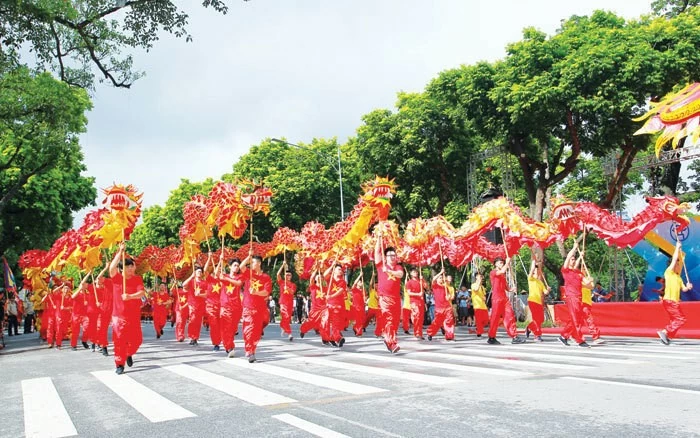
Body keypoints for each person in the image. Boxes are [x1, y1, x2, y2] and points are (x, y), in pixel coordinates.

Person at [109, 242, 146, 375]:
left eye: (132, 266)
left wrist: (130, 296)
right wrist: (120, 252)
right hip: (118, 316)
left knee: (137, 340)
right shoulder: (117, 279)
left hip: (133, 316)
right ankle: (119, 363)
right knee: (119, 340)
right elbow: (111, 268)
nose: (130, 269)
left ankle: (128, 353)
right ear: (122, 269)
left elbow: (141, 293)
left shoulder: (137, 279)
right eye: (127, 266)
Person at [657, 239, 693, 345]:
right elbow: (674, 259)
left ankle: (666, 337)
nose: (678, 266)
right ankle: (665, 332)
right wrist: (677, 247)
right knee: (681, 319)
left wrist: (688, 287)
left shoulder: (679, 278)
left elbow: (684, 289)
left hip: (674, 302)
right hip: (669, 301)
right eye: (678, 264)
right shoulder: (669, 272)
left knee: (676, 320)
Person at [240, 253, 272, 363]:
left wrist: (256, 292)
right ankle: (249, 351)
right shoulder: (249, 273)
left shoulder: (266, 277)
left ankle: (252, 349)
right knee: (248, 329)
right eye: (251, 262)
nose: (251, 264)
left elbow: (266, 292)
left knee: (256, 331)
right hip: (248, 306)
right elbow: (241, 267)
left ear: (259, 263)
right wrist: (247, 257)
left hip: (259, 308)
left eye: (253, 262)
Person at [558, 242, 590, 348]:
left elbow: (588, 285)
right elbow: (567, 258)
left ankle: (564, 336)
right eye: (572, 259)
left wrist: (589, 282)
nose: (573, 260)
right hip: (571, 297)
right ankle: (580, 340)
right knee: (575, 319)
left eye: (574, 259)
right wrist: (574, 248)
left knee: (578, 319)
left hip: (579, 297)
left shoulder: (577, 272)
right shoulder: (566, 271)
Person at [374, 239, 404, 354]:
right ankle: (391, 343)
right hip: (384, 298)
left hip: (396, 299)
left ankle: (388, 338)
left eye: (393, 255)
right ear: (385, 257)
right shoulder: (381, 265)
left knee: (395, 322)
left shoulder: (398, 267)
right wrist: (379, 237)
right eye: (389, 255)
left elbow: (400, 275)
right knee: (389, 320)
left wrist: (390, 272)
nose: (392, 257)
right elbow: (377, 252)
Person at [487, 257, 525, 345]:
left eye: (502, 263)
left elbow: (506, 287)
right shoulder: (493, 272)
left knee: (510, 315)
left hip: (504, 298)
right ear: (495, 264)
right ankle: (491, 337)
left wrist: (512, 289)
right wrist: (507, 263)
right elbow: (502, 271)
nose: (502, 264)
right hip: (496, 299)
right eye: (500, 263)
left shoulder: (503, 275)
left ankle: (514, 336)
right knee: (495, 318)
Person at [219, 258, 244, 357]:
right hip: (225, 305)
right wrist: (221, 261)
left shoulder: (239, 277)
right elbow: (216, 273)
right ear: (229, 267)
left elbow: (238, 284)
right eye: (235, 265)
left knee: (233, 329)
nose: (237, 267)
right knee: (226, 327)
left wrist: (227, 279)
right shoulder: (223, 275)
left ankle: (229, 344)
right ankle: (229, 347)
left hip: (237, 306)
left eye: (238, 266)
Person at [183, 262, 209, 346]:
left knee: (198, 321)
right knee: (192, 319)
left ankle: (195, 337)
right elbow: (183, 284)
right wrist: (191, 276)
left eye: (200, 272)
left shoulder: (204, 283)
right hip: (192, 303)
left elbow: (206, 294)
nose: (199, 273)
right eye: (198, 271)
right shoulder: (191, 281)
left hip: (200, 304)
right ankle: (191, 337)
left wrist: (200, 295)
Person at [300, 270, 329, 342]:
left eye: (321, 277)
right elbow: (311, 278)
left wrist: (326, 296)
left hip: (323, 308)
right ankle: (303, 329)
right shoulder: (313, 287)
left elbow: (328, 297)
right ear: (315, 279)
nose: (320, 277)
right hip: (315, 309)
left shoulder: (325, 288)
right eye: (318, 276)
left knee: (325, 322)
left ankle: (325, 338)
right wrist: (316, 269)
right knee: (311, 323)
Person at [426, 270, 455, 341]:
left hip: (447, 307)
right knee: (437, 322)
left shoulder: (445, 287)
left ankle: (449, 335)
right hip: (439, 308)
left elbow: (449, 296)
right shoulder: (435, 286)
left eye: (442, 278)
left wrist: (449, 297)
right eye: (439, 278)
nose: (441, 279)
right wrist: (441, 272)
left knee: (449, 321)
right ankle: (430, 333)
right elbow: (433, 279)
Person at [324, 263, 348, 347]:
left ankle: (332, 338)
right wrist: (331, 266)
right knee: (334, 323)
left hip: (339, 305)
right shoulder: (330, 279)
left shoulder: (343, 282)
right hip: (331, 304)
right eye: (339, 269)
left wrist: (331, 296)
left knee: (338, 324)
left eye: (341, 270)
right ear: (334, 270)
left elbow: (340, 291)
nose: (340, 271)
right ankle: (338, 338)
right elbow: (325, 274)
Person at [526, 260, 549, 342]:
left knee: (541, 319)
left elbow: (545, 292)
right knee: (536, 319)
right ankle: (537, 335)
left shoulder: (540, 282)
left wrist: (548, 290)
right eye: (535, 271)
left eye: (537, 270)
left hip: (539, 302)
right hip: (532, 300)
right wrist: (533, 263)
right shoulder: (530, 279)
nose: (536, 271)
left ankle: (530, 327)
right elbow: (532, 270)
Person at [70, 275, 92, 350]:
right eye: (82, 284)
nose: (84, 285)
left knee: (87, 327)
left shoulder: (88, 294)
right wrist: (79, 289)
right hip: (76, 314)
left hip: (85, 315)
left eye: (84, 284)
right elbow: (72, 297)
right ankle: (73, 345)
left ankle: (84, 341)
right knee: (75, 331)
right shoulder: (76, 292)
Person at [405, 268, 427, 339]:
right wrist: (418, 294)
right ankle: (417, 333)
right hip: (414, 301)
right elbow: (409, 293)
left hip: (421, 301)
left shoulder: (420, 281)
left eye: (416, 272)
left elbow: (426, 287)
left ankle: (419, 333)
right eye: (414, 272)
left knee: (421, 318)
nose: (416, 273)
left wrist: (422, 279)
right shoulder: (409, 282)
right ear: (411, 274)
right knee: (416, 316)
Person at [276, 262, 296, 341]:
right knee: (286, 316)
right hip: (283, 302)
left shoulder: (293, 285)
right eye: (287, 275)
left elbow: (292, 292)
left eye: (290, 275)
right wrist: (282, 266)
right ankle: (290, 334)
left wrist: (287, 288)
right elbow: (278, 274)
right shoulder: (281, 282)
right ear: (284, 275)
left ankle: (283, 326)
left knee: (287, 319)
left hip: (290, 303)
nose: (288, 276)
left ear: (291, 276)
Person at [470, 272, 488, 337]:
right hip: (477, 305)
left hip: (483, 305)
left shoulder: (482, 287)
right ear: (476, 277)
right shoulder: (473, 285)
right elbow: (476, 289)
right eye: (480, 276)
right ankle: (479, 332)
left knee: (486, 320)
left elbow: (484, 295)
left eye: (481, 277)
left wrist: (484, 298)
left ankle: (479, 328)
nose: (481, 278)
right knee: (479, 320)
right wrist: (478, 282)